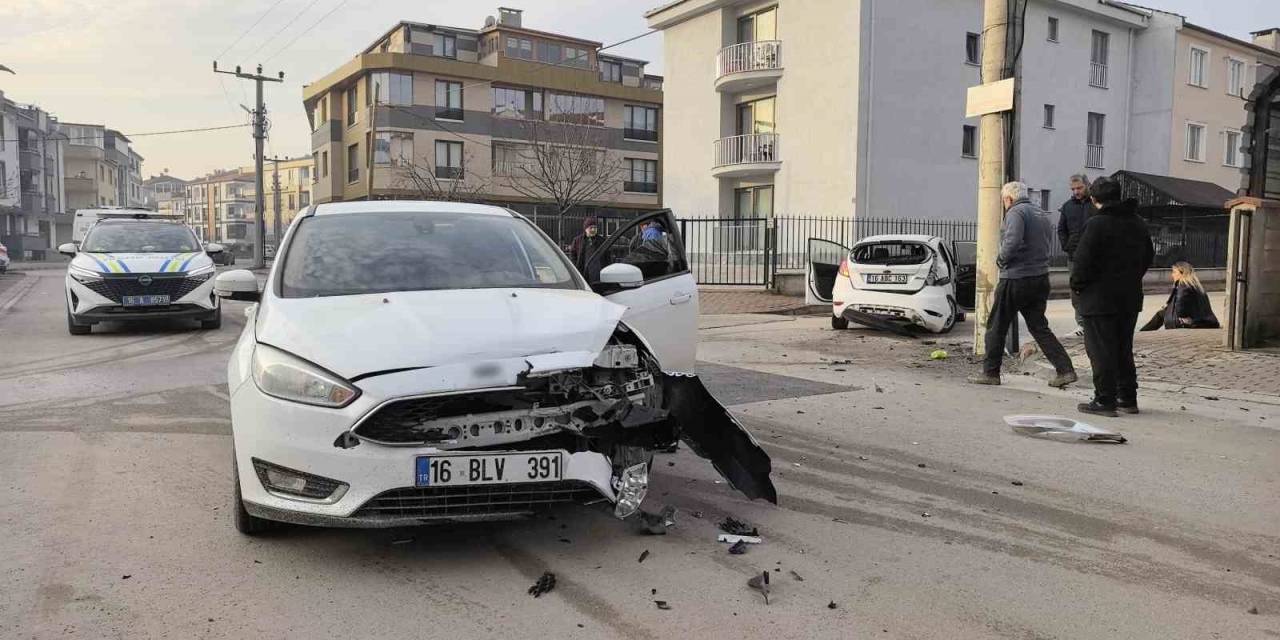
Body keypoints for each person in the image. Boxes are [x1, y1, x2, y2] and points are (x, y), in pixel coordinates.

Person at [969, 182, 1078, 388]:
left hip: (1016, 278)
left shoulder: (1015, 212)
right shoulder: (1040, 214)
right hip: (1040, 277)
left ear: (1008, 198)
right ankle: (1065, 369)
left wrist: (1001, 260)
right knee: (1039, 327)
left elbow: (1012, 241)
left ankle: (990, 373)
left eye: (1003, 201)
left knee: (996, 326)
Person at [1070, 177, 1155, 417]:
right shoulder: (1138, 223)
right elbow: (1148, 256)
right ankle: (1127, 397)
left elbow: (1082, 261)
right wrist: (1131, 278)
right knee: (1122, 348)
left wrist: (1078, 286)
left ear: (1094, 199)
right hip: (1129, 297)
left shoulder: (1096, 224)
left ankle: (1104, 399)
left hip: (1098, 298)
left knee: (1100, 350)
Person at [1057, 174, 1093, 335]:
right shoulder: (1067, 206)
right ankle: (1081, 325)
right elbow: (1061, 229)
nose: (1076, 192)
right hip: (1074, 256)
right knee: (1076, 291)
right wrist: (1067, 246)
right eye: (1073, 189)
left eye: (1079, 188)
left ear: (1087, 185)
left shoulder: (1095, 204)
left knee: (1093, 290)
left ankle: (1093, 323)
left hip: (1094, 256)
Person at [1139, 261, 1220, 331]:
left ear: (1182, 273)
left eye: (1174, 272)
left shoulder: (1183, 285)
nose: (1172, 275)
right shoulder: (1196, 285)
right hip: (1205, 321)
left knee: (1161, 314)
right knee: (1162, 313)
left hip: (1190, 322)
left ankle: (1142, 333)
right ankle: (1143, 332)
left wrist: (1183, 316)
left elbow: (1180, 309)